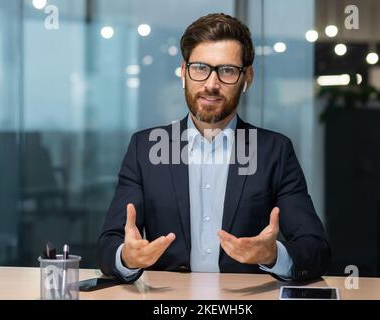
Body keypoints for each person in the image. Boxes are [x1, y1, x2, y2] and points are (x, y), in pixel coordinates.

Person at [97, 13, 330, 283]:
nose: (211, 84)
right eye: (200, 68)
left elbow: (317, 249)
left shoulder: (274, 151)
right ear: (184, 72)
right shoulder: (145, 148)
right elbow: (107, 245)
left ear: (248, 78)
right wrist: (127, 257)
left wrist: (273, 254)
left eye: (227, 71)